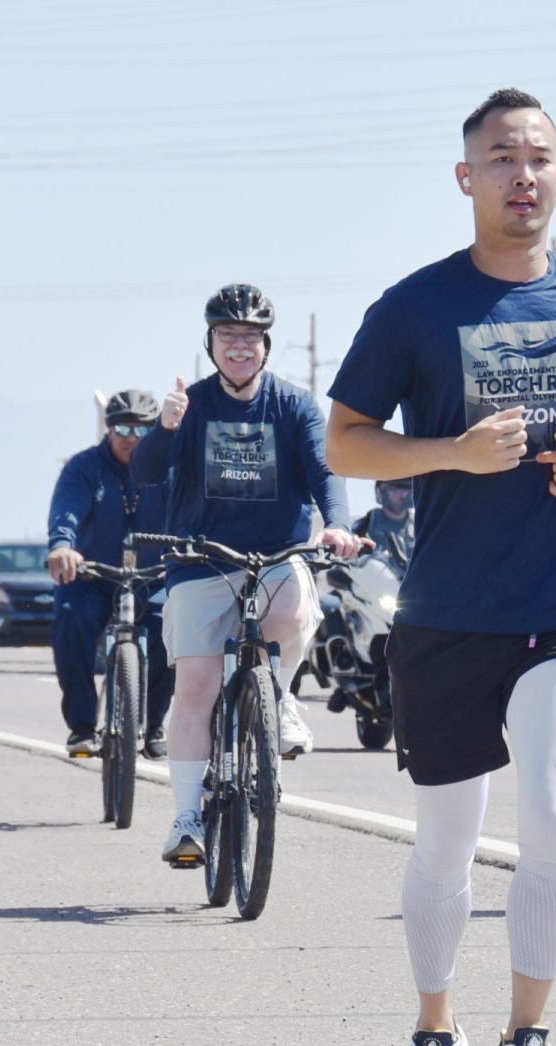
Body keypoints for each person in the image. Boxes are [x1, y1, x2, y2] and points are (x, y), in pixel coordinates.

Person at [324, 88, 556, 1046]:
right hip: (448, 612)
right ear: (466, 176)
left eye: (541, 156)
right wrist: (447, 454)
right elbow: (346, 440)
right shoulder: (416, 306)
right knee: (447, 840)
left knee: (554, 818)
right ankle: (435, 1039)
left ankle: (529, 1043)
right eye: (502, 156)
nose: (524, 173)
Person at [133, 284, 360, 866]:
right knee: (196, 688)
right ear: (211, 344)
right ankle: (186, 817)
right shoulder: (194, 405)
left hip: (275, 555)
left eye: (251, 338)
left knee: (293, 607)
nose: (240, 347)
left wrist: (335, 524)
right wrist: (164, 427)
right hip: (200, 560)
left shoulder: (293, 405)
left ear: (266, 346)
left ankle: (276, 697)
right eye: (228, 337)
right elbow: (146, 472)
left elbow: (324, 469)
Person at [47, 389, 169, 757]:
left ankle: (154, 724)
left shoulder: (169, 468)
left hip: (154, 575)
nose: (132, 438)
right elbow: (66, 509)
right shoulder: (84, 467)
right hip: (93, 576)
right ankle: (82, 726)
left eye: (143, 430)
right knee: (70, 619)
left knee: (174, 630)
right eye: (122, 428)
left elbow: (193, 512)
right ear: (108, 428)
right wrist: (62, 545)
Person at [353, 478, 414, 567]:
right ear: (381, 492)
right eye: (394, 490)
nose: (403, 494)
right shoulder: (367, 523)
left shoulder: (420, 525)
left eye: (407, 488)